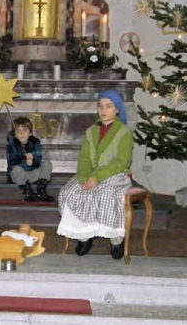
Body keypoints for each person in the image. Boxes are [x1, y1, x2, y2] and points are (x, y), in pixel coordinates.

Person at [56, 89, 133, 259]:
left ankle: (116, 239)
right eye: (100, 106)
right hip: (89, 174)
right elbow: (84, 159)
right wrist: (84, 178)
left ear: (117, 109)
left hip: (115, 174)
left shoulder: (124, 133)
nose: (103, 110)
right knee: (70, 192)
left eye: (108, 106)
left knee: (105, 194)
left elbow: (122, 162)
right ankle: (85, 235)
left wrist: (97, 178)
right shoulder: (91, 131)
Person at [6, 116, 54, 202]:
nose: (22, 133)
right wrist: (25, 160)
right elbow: (12, 161)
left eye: (25, 130)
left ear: (30, 133)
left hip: (33, 173)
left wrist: (33, 159)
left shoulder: (35, 143)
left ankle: (41, 190)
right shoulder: (12, 145)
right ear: (14, 133)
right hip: (20, 176)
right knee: (16, 170)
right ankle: (28, 191)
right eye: (18, 131)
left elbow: (39, 159)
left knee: (47, 163)